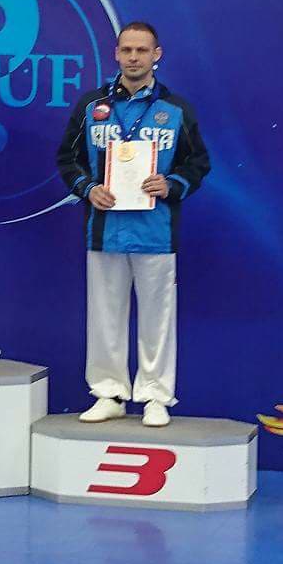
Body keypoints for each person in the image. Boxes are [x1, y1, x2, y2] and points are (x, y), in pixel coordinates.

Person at [57, 21, 209, 425]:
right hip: (104, 230)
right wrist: (88, 188)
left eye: (142, 50)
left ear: (157, 55)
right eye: (127, 50)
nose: (134, 58)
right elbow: (67, 159)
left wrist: (171, 184)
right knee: (104, 316)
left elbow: (198, 163)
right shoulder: (92, 106)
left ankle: (155, 396)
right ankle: (109, 393)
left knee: (158, 317)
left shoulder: (175, 110)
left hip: (155, 231)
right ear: (116, 54)